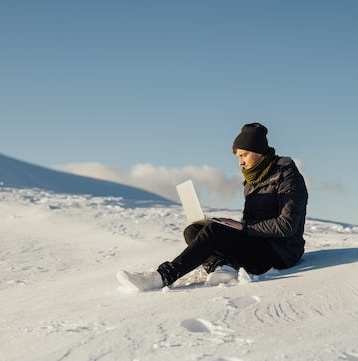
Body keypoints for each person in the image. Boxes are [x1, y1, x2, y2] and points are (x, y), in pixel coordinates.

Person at [117, 123, 309, 291]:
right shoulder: (254, 180)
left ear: (258, 151)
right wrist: (236, 226)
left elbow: (287, 226)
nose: (240, 162)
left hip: (280, 253)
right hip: (258, 244)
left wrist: (244, 227)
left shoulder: (288, 178)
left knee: (214, 232)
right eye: (237, 156)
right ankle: (222, 268)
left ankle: (164, 276)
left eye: (244, 155)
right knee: (194, 229)